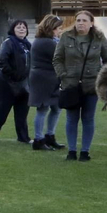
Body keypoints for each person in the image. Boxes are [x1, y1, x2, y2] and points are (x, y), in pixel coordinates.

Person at [52, 9, 107, 162]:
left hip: (91, 86)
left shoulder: (99, 38)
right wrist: (63, 75)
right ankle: (71, 151)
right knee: (71, 118)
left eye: (84, 20)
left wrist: (102, 79)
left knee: (88, 118)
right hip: (70, 85)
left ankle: (85, 151)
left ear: (91, 23)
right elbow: (57, 59)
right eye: (78, 20)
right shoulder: (66, 37)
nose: (80, 23)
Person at [0, 19, 33, 146]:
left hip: (23, 82)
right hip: (6, 82)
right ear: (13, 30)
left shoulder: (27, 44)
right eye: (18, 27)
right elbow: (2, 60)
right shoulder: (9, 42)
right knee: (2, 109)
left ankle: (23, 137)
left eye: (24, 27)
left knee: (22, 110)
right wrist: (13, 74)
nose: (22, 29)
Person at [27, 14, 65, 151]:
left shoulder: (47, 41)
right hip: (44, 78)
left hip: (50, 77)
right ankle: (38, 139)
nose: (59, 30)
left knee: (56, 107)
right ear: (51, 28)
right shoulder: (46, 42)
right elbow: (61, 57)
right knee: (43, 108)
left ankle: (50, 136)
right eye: (58, 28)